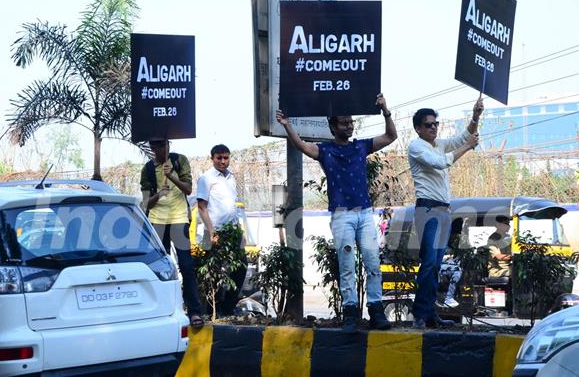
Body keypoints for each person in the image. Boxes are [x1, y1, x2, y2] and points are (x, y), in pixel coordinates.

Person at [276, 93, 397, 333]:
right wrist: (287, 125)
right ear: (332, 126)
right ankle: (350, 313)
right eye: (344, 122)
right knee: (347, 264)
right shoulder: (325, 150)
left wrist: (385, 110)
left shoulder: (361, 146)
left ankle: (376, 311)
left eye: (351, 122)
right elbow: (300, 145)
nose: (349, 126)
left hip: (364, 213)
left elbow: (391, 136)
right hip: (342, 215)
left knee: (373, 263)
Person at [408, 98, 482, 329]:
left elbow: (462, 136)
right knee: (429, 263)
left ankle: (429, 314)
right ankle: (420, 315)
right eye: (428, 124)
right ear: (418, 128)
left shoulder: (438, 144)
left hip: (443, 211)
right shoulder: (417, 146)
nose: (433, 127)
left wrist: (475, 116)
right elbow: (440, 163)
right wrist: (468, 146)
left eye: (435, 124)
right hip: (428, 209)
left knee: (436, 265)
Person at [141, 139, 203, 328]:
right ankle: (165, 309)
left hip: (179, 219)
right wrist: (159, 194)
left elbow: (188, 189)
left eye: (161, 145)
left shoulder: (179, 161)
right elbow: (145, 203)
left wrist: (172, 176)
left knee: (186, 265)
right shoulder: (148, 169)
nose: (157, 149)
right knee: (160, 269)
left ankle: (194, 311)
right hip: (157, 221)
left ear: (168, 145)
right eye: (154, 146)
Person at [196, 144, 247, 317]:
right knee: (213, 273)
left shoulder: (231, 177)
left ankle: (226, 308)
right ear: (212, 158)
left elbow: (232, 206)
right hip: (214, 231)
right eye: (219, 158)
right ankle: (211, 311)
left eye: (226, 157)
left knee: (241, 267)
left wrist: (240, 229)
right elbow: (202, 207)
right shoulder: (206, 178)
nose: (223, 161)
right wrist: (211, 232)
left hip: (233, 231)